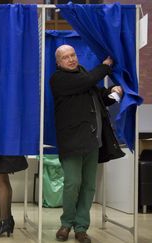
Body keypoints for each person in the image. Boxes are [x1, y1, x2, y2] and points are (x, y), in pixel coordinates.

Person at [50, 45, 125, 243]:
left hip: (93, 141)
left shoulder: (84, 76)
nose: (71, 59)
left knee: (89, 186)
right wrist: (106, 66)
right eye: (65, 57)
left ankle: (81, 227)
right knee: (73, 183)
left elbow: (99, 99)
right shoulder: (59, 79)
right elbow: (86, 82)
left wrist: (113, 92)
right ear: (58, 63)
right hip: (72, 142)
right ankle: (66, 224)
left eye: (73, 55)